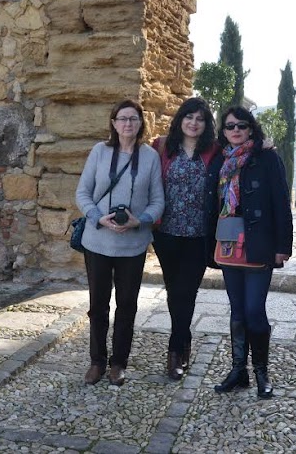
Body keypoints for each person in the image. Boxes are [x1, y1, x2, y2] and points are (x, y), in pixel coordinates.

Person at [75, 99, 165, 387]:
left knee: (127, 305)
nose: (128, 124)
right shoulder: (99, 152)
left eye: (133, 119)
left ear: (141, 123)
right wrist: (97, 217)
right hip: (97, 242)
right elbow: (82, 193)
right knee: (98, 305)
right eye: (123, 118)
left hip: (133, 245)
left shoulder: (150, 157)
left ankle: (119, 363)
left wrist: (140, 220)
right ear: (113, 123)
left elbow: (158, 200)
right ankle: (97, 361)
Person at [208, 106, 293, 399]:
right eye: (230, 126)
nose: (236, 130)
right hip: (228, 242)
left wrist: (283, 246)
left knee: (255, 311)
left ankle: (261, 372)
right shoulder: (220, 159)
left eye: (241, 125)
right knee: (237, 311)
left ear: (251, 128)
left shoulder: (267, 157)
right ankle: (238, 371)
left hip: (259, 242)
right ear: (223, 130)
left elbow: (281, 202)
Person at [151, 97, 220, 380]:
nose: (193, 123)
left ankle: (174, 351)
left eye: (200, 119)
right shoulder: (161, 147)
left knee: (187, 291)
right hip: (165, 233)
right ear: (180, 119)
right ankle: (184, 337)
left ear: (206, 124)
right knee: (173, 290)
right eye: (189, 117)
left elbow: (245, 148)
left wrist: (265, 143)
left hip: (199, 235)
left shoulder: (216, 150)